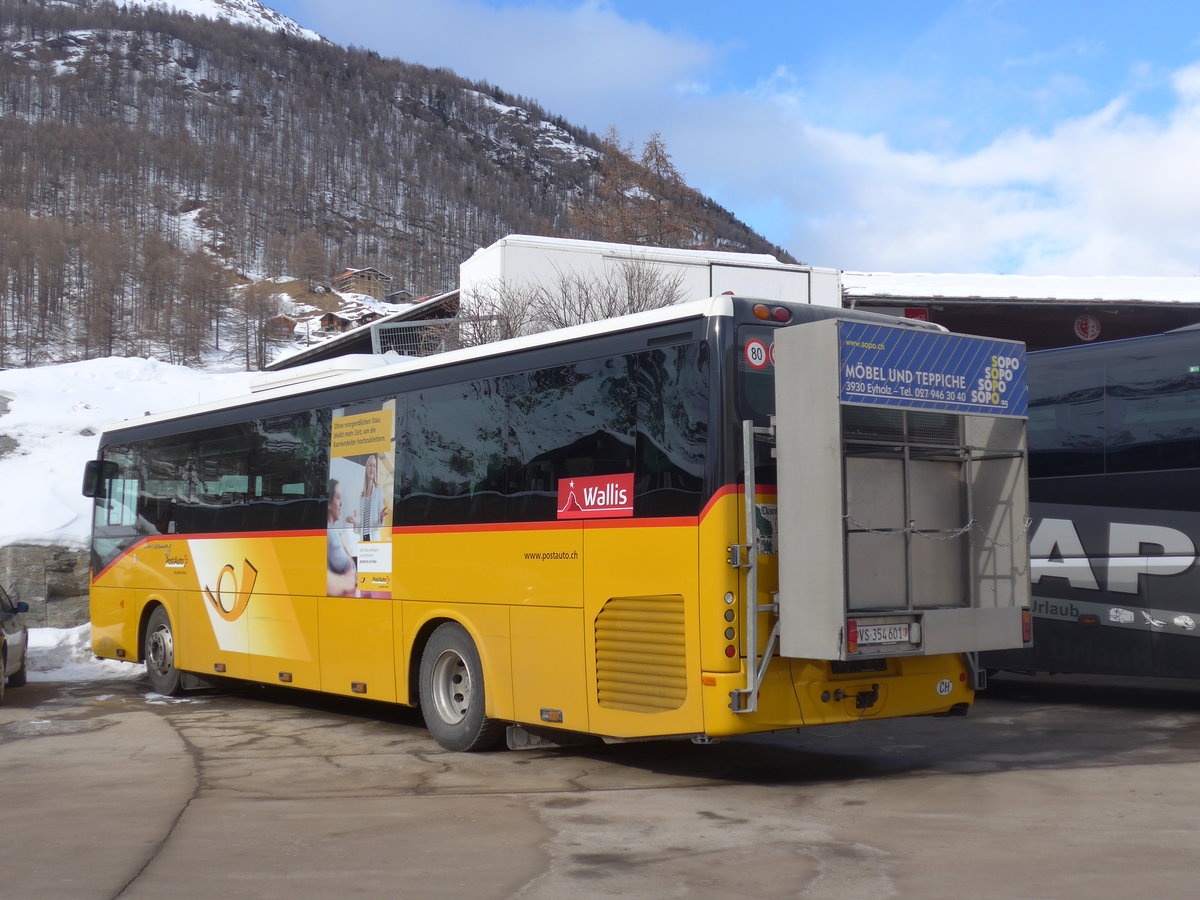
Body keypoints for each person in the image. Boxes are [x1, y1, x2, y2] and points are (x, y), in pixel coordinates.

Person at [347, 453, 390, 542]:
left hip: (373, 537)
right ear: (366, 468)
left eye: (374, 466)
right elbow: (362, 526)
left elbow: (379, 525)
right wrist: (354, 522)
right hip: (363, 538)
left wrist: (381, 517)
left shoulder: (379, 489)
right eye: (370, 465)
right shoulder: (362, 495)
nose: (372, 468)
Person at [326, 479, 357, 597]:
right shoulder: (331, 535)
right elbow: (351, 568)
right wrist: (344, 545)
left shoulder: (331, 532)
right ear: (329, 504)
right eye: (338, 497)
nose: (341, 504)